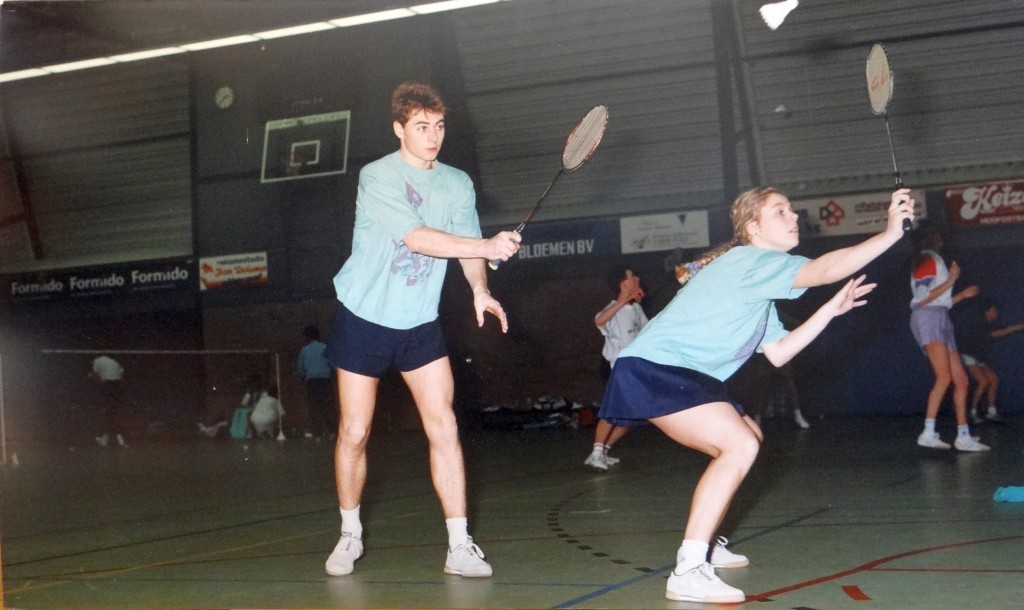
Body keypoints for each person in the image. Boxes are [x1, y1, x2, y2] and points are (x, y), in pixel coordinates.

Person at [598, 186, 915, 603]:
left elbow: (780, 353)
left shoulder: (757, 291)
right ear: (753, 228)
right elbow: (822, 270)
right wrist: (891, 233)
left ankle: (707, 542)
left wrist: (829, 311)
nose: (793, 216)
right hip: (656, 367)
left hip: (681, 373)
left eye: (792, 209)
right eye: (779, 211)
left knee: (750, 437)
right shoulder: (750, 261)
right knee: (740, 443)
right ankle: (689, 568)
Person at [322, 82, 520, 579]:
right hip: (364, 315)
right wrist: (489, 247)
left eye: (439, 127)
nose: (433, 137)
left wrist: (479, 288)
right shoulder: (377, 176)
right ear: (399, 129)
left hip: (419, 321)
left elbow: (471, 245)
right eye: (421, 127)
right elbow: (418, 238)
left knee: (444, 426)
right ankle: (349, 534)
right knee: (355, 430)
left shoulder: (457, 183)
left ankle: (459, 545)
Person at [909, 225, 987, 451]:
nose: (941, 238)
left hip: (942, 317)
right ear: (927, 239)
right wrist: (953, 279)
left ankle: (963, 436)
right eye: (936, 234)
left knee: (961, 380)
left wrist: (962, 294)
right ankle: (928, 433)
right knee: (943, 377)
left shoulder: (936, 260)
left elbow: (940, 301)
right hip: (928, 318)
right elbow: (923, 300)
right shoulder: (925, 259)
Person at [584, 267, 648, 470]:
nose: (637, 278)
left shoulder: (636, 309)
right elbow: (599, 320)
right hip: (614, 367)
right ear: (624, 284)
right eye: (632, 277)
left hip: (632, 369)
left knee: (630, 418)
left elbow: (649, 330)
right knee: (612, 412)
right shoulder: (613, 308)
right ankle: (596, 454)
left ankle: (602, 452)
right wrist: (624, 300)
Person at [956, 297, 1024, 423]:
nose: (994, 314)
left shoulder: (991, 324)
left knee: (993, 379)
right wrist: (1013, 328)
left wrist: (1016, 327)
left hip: (980, 358)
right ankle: (972, 412)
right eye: (992, 311)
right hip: (969, 355)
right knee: (982, 382)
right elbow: (994, 334)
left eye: (996, 312)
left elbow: (1001, 330)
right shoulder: (979, 323)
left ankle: (991, 412)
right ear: (985, 312)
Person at [296, 325, 336, 439]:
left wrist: (302, 377)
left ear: (307, 337)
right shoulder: (326, 348)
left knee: (315, 408)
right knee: (328, 407)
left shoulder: (304, 350)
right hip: (325, 380)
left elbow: (300, 369)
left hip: (311, 382)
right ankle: (332, 432)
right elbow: (333, 365)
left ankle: (317, 433)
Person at [91, 354, 128, 448]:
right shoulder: (115, 362)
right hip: (117, 385)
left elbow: (96, 376)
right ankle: (120, 441)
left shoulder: (97, 360)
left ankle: (105, 439)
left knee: (108, 413)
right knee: (113, 412)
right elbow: (122, 376)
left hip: (108, 385)